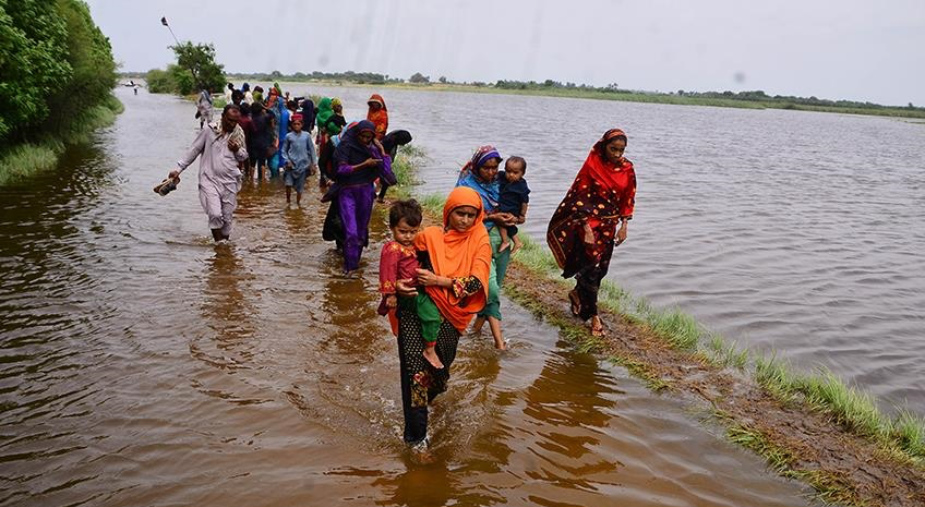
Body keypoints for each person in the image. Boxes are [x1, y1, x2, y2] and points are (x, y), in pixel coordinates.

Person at [392, 186, 492, 449]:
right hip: (416, 307)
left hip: (451, 317)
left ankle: (424, 406)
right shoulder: (430, 237)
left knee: (438, 376)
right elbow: (399, 257)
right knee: (416, 375)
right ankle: (416, 440)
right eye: (460, 213)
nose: (465, 220)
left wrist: (441, 281)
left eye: (471, 215)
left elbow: (476, 284)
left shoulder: (480, 240)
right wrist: (396, 285)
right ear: (449, 212)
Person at [546, 128, 636, 337]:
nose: (617, 154)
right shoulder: (592, 166)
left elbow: (628, 197)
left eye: (621, 150)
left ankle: (577, 294)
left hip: (609, 227)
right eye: (613, 149)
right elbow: (579, 198)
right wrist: (585, 228)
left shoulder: (628, 168)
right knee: (592, 269)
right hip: (590, 225)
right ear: (603, 147)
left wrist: (624, 225)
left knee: (601, 270)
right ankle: (593, 317)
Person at [456, 146, 518, 350]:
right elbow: (459, 216)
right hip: (476, 238)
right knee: (489, 288)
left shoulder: (502, 182)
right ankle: (499, 343)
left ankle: (475, 329)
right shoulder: (466, 185)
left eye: (494, 168)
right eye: (486, 168)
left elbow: (516, 204)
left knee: (495, 286)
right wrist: (492, 216)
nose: (491, 172)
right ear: (476, 167)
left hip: (501, 239)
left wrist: (514, 217)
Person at [323, 120, 396, 274]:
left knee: (361, 233)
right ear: (357, 134)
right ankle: (349, 268)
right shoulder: (346, 146)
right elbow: (341, 169)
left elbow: (389, 175)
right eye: (363, 136)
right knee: (351, 232)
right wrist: (363, 165)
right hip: (347, 192)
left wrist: (382, 151)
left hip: (366, 193)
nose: (365, 140)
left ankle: (354, 264)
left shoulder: (374, 150)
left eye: (369, 137)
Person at [168, 104, 248, 242]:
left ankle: (224, 246)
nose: (232, 124)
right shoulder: (209, 130)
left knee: (227, 219)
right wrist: (178, 169)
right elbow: (194, 150)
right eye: (229, 120)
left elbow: (243, 156)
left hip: (230, 182)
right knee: (215, 214)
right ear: (223, 117)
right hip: (209, 179)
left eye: (235, 121)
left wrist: (236, 149)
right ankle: (220, 247)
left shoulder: (238, 134)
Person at [377, 199, 422, 348]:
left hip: (415, 291)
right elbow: (387, 271)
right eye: (402, 232)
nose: (408, 236)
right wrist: (390, 294)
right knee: (402, 327)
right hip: (399, 296)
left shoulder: (417, 245)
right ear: (392, 228)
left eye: (413, 232)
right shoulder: (393, 248)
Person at [281, 114, 317, 206]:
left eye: (298, 124)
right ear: (292, 125)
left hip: (303, 165)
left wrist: (314, 164)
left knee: (300, 188)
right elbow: (284, 150)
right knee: (288, 184)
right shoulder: (288, 136)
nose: (296, 126)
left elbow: (312, 150)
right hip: (291, 165)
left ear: (302, 125)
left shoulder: (307, 136)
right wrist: (287, 160)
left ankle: (298, 203)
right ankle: (288, 201)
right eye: (294, 124)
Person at [496, 156, 530, 254]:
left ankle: (505, 241)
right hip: (503, 206)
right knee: (508, 225)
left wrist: (522, 215)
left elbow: (524, 202)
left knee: (502, 222)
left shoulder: (521, 186)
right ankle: (517, 242)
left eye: (515, 173)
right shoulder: (502, 177)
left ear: (522, 173)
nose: (511, 175)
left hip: (512, 208)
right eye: (508, 171)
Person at [377, 130, 413, 203]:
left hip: (384, 164)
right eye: (405, 142)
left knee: (386, 181)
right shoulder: (388, 142)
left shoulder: (392, 140)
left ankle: (380, 197)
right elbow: (385, 156)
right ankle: (378, 197)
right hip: (381, 164)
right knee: (389, 180)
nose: (404, 144)